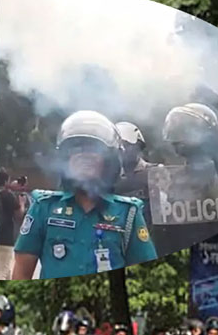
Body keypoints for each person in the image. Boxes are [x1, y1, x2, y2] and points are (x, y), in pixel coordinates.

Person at [11, 111, 157, 279]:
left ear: (110, 160)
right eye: (76, 149)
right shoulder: (44, 207)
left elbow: (145, 275)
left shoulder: (128, 213)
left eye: (93, 149)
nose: (84, 155)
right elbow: (21, 272)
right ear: (65, 158)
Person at [0, 168, 21, 278]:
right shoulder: (8, 195)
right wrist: (22, 204)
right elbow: (19, 216)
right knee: (3, 270)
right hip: (5, 239)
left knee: (6, 271)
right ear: (6, 181)